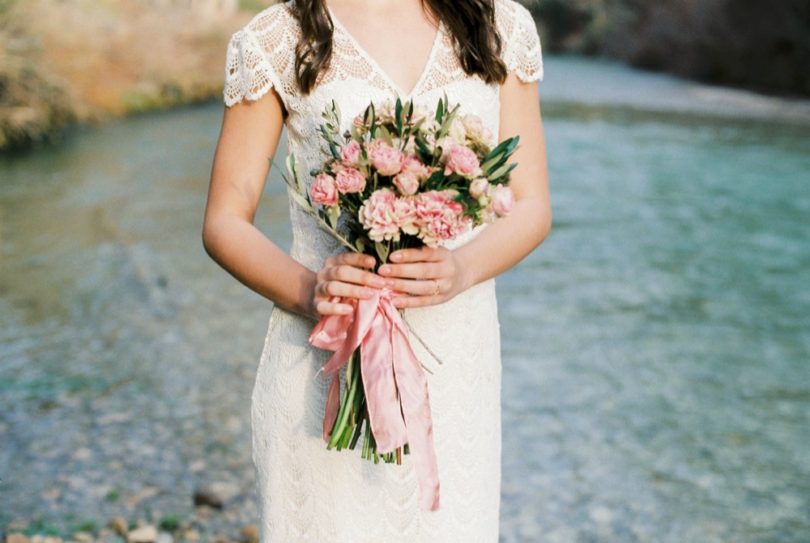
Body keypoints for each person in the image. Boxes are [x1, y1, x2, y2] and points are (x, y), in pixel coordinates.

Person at [201, 0, 550, 540]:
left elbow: (530, 205)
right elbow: (225, 220)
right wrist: (311, 289)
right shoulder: (276, 38)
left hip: (456, 363)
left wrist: (461, 269)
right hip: (323, 359)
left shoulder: (500, 26)